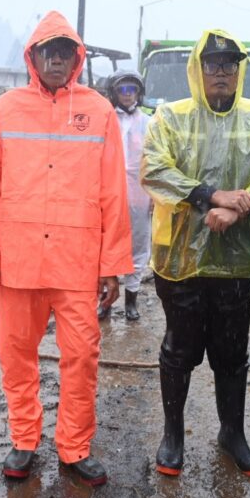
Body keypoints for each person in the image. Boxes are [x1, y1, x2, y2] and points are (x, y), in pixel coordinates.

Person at [0, 10, 134, 487]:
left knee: (81, 357)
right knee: (16, 355)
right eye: (48, 51)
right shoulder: (7, 108)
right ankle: (24, 440)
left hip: (77, 264)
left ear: (76, 58)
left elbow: (113, 193)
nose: (57, 59)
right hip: (18, 263)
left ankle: (75, 447)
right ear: (34, 56)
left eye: (65, 52)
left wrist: (113, 265)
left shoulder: (98, 110)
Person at [140, 29, 250, 478]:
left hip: (235, 261)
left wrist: (240, 203)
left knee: (232, 353)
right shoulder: (171, 117)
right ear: (198, 69)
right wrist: (211, 196)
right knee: (180, 349)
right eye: (213, 64)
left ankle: (233, 433)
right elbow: (154, 169)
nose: (222, 72)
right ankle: (173, 435)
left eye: (230, 64)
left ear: (239, 70)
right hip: (180, 261)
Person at [100, 69, 151, 321]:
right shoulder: (105, 119)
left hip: (139, 195)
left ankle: (132, 299)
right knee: (104, 244)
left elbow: (155, 162)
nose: (128, 94)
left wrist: (154, 197)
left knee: (138, 246)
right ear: (114, 92)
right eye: (123, 89)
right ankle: (105, 300)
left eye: (132, 89)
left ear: (139, 93)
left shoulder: (150, 123)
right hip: (108, 193)